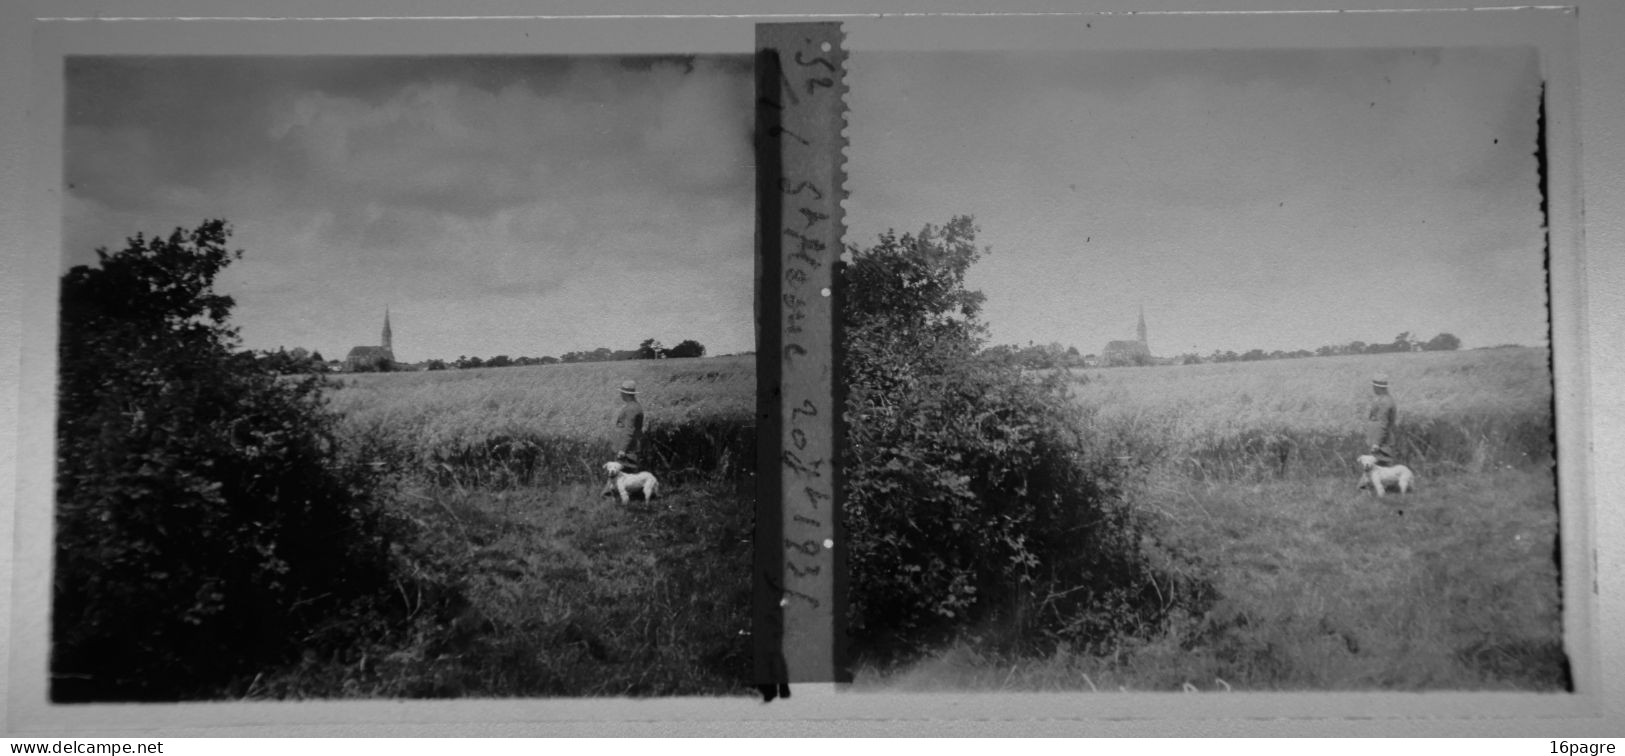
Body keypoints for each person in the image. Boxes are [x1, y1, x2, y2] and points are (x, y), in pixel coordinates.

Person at [603, 379, 645, 497]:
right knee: (624, 470)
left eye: (621, 392)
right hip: (629, 445)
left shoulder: (631, 409)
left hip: (628, 446)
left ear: (626, 394)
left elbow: (629, 430)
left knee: (624, 469)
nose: (620, 394)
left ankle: (608, 494)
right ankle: (613, 494)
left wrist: (622, 449)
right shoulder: (633, 406)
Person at [1365, 372, 1398, 465]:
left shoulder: (1385, 402)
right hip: (1378, 442)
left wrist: (1376, 443)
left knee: (1382, 470)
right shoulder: (1381, 399)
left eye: (1373, 387)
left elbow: (1382, 423)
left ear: (1377, 387)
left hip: (1382, 444)